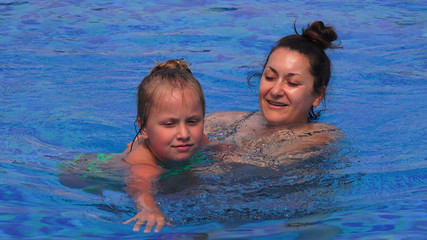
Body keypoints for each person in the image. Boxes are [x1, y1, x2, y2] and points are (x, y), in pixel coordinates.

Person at [204, 21, 343, 165]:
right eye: (270, 77)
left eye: (292, 83)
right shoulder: (237, 120)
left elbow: (265, 163)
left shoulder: (320, 135)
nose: (275, 91)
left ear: (318, 95)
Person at [122, 59, 208, 233]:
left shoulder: (200, 140)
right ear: (144, 128)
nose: (184, 134)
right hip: (90, 171)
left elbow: (215, 150)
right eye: (169, 124)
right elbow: (140, 189)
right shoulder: (144, 164)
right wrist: (149, 209)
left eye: (192, 121)